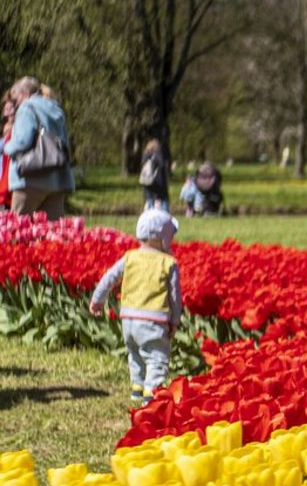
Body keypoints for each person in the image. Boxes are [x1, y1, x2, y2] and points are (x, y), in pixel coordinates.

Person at [90, 210, 182, 409]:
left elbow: (109, 278)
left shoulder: (129, 257)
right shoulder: (168, 263)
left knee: (135, 354)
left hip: (128, 319)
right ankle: (151, 395)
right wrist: (175, 320)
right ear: (163, 237)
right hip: (154, 321)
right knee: (156, 358)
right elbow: (175, 297)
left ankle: (137, 388)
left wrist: (97, 300)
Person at [3, 76, 75, 218]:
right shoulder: (55, 108)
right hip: (56, 180)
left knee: (18, 227)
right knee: (52, 229)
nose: (15, 105)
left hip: (29, 178)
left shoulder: (26, 107)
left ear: (24, 94)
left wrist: (6, 148)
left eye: (15, 99)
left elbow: (22, 141)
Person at [139, 138, 170, 211]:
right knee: (162, 211)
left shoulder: (145, 156)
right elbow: (163, 167)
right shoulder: (159, 155)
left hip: (148, 189)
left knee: (149, 208)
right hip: (159, 191)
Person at [0, 91, 15, 211]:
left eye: (10, 109)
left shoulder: (16, 131)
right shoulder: (6, 133)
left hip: (9, 182)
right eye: (6, 109)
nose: (8, 112)